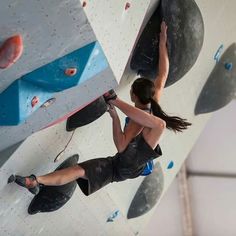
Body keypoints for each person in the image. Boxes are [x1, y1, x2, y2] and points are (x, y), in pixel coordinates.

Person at [8, 22, 191, 196]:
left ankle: (115, 100)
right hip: (126, 164)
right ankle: (35, 181)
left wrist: (115, 117)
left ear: (134, 96)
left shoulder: (135, 124)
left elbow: (121, 146)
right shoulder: (154, 98)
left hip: (128, 162)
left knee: (159, 125)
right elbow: (163, 74)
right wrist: (162, 41)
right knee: (78, 171)